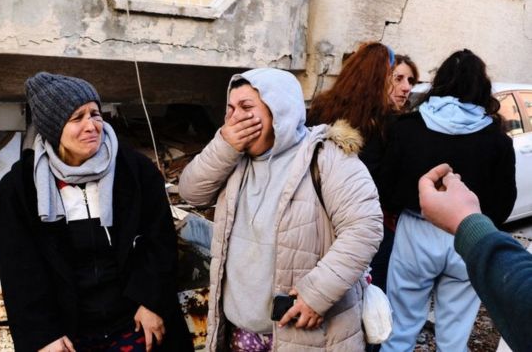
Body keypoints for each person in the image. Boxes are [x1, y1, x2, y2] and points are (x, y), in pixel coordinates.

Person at [179, 68, 382, 351]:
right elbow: (191, 192)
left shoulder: (327, 157)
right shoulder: (233, 159)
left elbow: (365, 229)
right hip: (243, 332)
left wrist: (315, 296)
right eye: (230, 108)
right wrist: (224, 146)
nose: (235, 117)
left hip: (307, 335)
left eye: (247, 107)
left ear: (280, 110)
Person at [0, 72, 192, 352]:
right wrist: (42, 334)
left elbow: (159, 242)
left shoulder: (135, 171)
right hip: (68, 333)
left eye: (95, 114)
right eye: (77, 118)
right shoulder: (19, 190)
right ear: (53, 127)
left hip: (134, 324)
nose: (92, 126)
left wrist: (151, 302)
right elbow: (19, 270)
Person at [379, 49, 517, 352]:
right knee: (454, 339)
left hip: (416, 230)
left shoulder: (406, 128)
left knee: (399, 328)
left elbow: (386, 187)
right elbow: (505, 202)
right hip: (467, 233)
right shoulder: (497, 139)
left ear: (439, 82)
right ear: (482, 87)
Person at [307, 42, 396, 294]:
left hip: (319, 210)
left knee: (323, 281)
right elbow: (388, 182)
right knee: (367, 293)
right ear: (384, 77)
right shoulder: (385, 122)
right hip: (365, 218)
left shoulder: (323, 106)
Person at [418, 163, 532, 352]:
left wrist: (470, 223)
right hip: (468, 229)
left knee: (402, 318)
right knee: (455, 326)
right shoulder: (496, 138)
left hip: (418, 227)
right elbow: (505, 197)